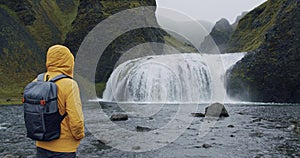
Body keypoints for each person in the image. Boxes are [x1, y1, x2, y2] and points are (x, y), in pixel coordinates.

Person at [36, 45, 85, 158]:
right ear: (69, 61)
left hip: (41, 145)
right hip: (64, 149)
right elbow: (76, 120)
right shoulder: (69, 84)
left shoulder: (37, 81)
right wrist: (79, 136)